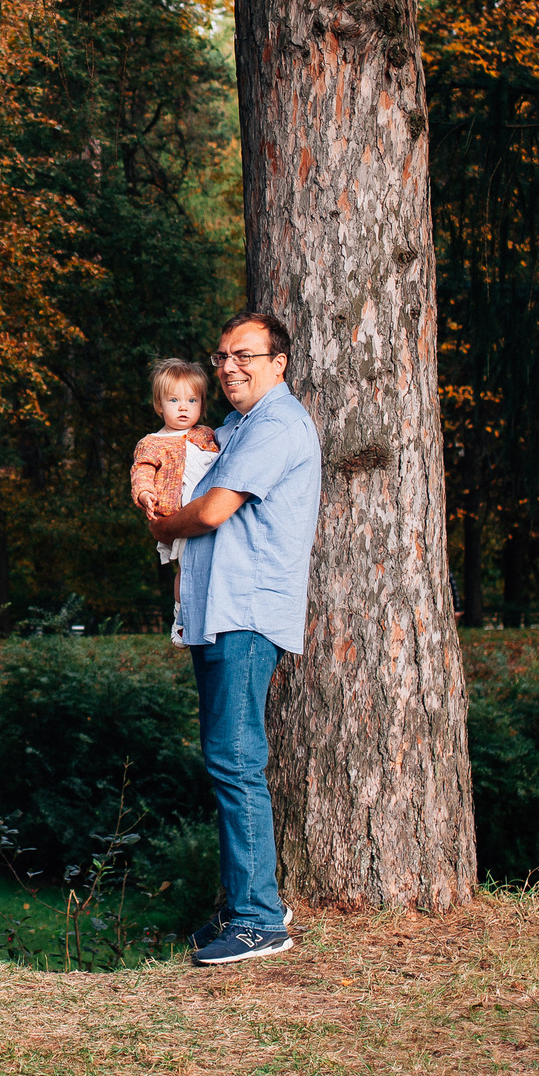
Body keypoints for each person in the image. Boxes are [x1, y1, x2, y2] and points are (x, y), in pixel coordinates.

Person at [145, 311, 320, 966]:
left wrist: (168, 528)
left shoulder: (276, 424)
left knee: (235, 760)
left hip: (246, 616)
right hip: (217, 613)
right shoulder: (238, 427)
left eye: (244, 354)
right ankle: (253, 904)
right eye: (221, 356)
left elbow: (214, 509)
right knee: (229, 758)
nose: (228, 367)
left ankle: (256, 922)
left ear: (279, 362)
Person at [130, 358, 221, 611]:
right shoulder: (153, 442)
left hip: (211, 508)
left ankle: (210, 609)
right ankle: (181, 615)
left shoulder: (208, 434)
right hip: (179, 514)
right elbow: (142, 470)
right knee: (187, 564)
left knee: (213, 563)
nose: (183, 408)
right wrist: (146, 493)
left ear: (202, 404)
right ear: (159, 404)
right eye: (174, 400)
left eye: (192, 400)